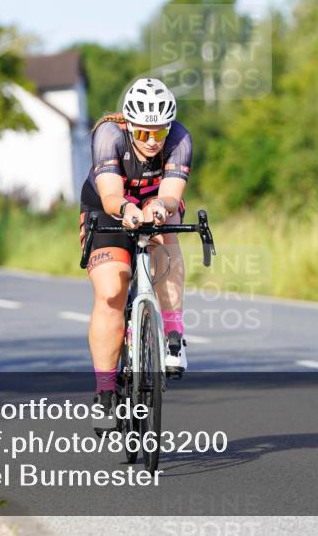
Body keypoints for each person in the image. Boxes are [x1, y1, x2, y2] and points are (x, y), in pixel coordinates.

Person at [79, 78, 192, 433]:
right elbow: (112, 195)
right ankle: (104, 391)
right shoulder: (108, 135)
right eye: (144, 134)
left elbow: (172, 194)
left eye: (160, 132)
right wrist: (126, 207)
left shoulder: (180, 139)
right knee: (112, 289)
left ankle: (173, 337)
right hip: (108, 206)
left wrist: (160, 205)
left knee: (166, 235)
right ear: (129, 125)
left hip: (154, 202)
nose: (153, 141)